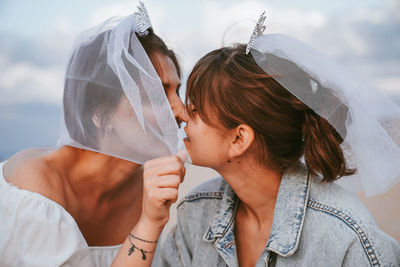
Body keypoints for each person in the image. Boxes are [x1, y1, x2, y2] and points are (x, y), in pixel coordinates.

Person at [157, 13, 400, 266]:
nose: (183, 116)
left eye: (195, 110)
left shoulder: (349, 239)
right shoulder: (194, 212)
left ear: (240, 138)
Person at [0, 3, 187, 266]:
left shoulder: (154, 190)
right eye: (156, 96)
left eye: (177, 93)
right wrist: (148, 223)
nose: (181, 112)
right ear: (102, 115)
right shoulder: (35, 191)